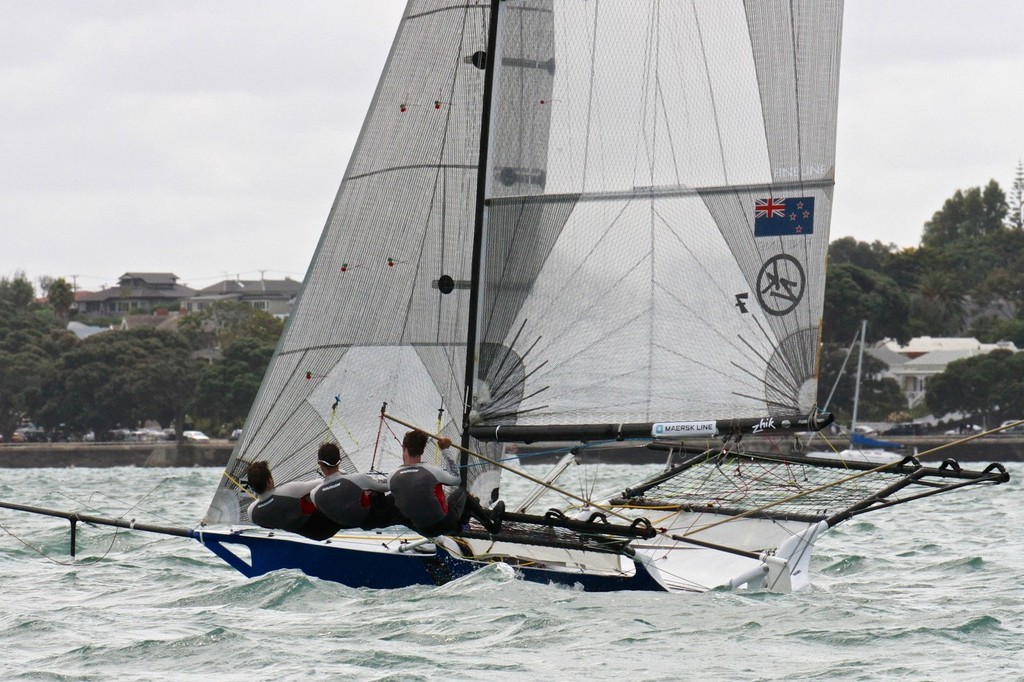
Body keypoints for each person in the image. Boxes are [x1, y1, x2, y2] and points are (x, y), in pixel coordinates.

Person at [388, 430, 504, 536]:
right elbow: (456, 479)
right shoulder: (431, 471)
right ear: (423, 450)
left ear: (404, 448)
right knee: (463, 493)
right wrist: (445, 449)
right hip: (445, 524)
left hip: (423, 530)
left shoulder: (392, 476)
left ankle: (464, 518)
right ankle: (491, 527)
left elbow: (379, 487)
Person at [310, 442, 405, 530]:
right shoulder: (358, 479)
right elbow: (387, 486)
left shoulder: (314, 494)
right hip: (368, 521)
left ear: (320, 464)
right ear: (340, 461)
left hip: (343, 525)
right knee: (399, 498)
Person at [245, 460, 341, 541]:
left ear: (252, 488)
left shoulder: (251, 512)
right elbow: (323, 482)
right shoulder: (289, 490)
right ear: (269, 480)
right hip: (329, 525)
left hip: (311, 535)